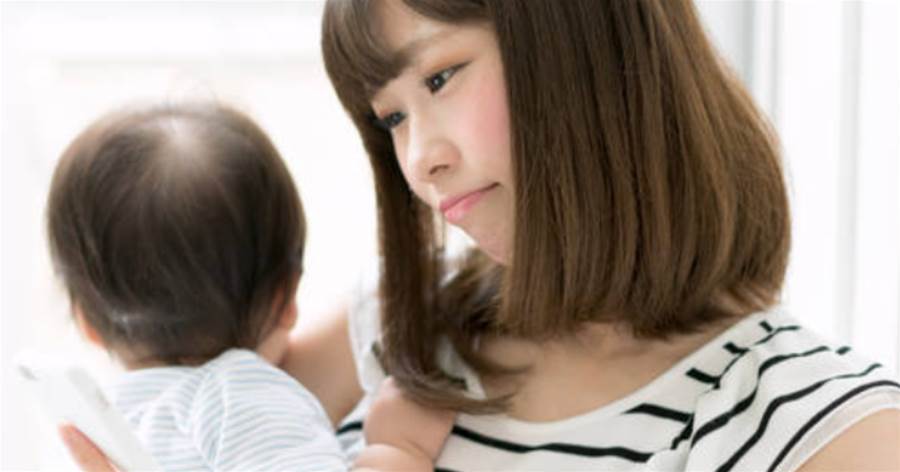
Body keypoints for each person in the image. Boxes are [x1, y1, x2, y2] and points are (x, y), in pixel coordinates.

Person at [63, 1, 900, 471]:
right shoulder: (401, 316)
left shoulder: (822, 426)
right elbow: (178, 423)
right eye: (390, 117)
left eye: (440, 76)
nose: (419, 159)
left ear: (584, 38)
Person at [48, 102, 453, 471]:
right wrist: (398, 453)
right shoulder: (242, 398)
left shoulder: (108, 429)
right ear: (284, 298)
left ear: (88, 324)